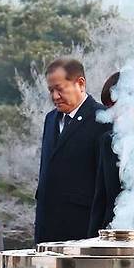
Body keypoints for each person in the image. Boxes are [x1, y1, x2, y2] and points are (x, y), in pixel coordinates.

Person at [35, 58, 110, 243]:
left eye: (59, 89)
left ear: (80, 83)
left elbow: (105, 183)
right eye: (51, 91)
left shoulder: (102, 119)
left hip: (82, 228)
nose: (54, 96)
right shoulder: (50, 119)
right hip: (47, 226)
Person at [88, 72, 122, 235]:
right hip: (111, 233)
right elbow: (101, 198)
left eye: (117, 105)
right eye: (109, 107)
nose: (112, 114)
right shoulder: (107, 141)